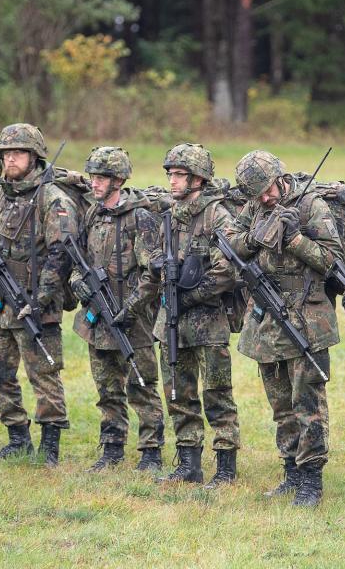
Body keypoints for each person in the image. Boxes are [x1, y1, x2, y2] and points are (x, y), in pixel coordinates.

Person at [224, 151, 343, 507]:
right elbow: (229, 244)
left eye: (267, 190)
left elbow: (333, 261)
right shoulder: (255, 207)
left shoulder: (311, 206)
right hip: (265, 320)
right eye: (256, 195)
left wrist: (294, 239)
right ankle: (291, 471)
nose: (264, 198)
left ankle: (311, 480)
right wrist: (257, 237)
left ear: (280, 177)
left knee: (308, 404)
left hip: (306, 321)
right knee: (280, 405)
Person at [120, 143, 241, 487]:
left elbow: (228, 269)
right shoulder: (169, 214)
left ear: (198, 179)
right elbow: (146, 249)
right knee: (177, 392)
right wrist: (156, 261)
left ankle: (226, 467)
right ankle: (188, 462)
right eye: (170, 175)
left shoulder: (217, 215)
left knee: (218, 394)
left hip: (208, 321)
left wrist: (192, 297)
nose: (172, 181)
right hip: (171, 320)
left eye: (179, 175)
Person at [0, 123, 78, 466]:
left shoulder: (52, 198)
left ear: (34, 156)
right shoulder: (1, 193)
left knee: (44, 375)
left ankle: (50, 448)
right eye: (5, 154)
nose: (11, 159)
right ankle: (18, 437)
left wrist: (41, 300)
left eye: (18, 153)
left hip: (36, 304)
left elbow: (60, 254)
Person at [70, 146, 165, 472]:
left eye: (102, 178)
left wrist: (131, 309)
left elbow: (152, 274)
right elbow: (77, 260)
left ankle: (151, 451)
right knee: (107, 389)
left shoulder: (140, 218)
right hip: (97, 319)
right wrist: (76, 283)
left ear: (119, 180)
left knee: (142, 384)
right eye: (93, 177)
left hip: (133, 320)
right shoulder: (92, 214)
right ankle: (111, 448)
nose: (94, 184)